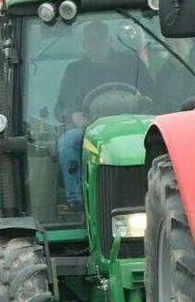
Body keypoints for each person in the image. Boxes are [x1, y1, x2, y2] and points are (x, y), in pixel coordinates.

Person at [55, 20, 154, 208]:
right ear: (84, 44)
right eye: (91, 40)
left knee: (160, 141)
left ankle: (158, 191)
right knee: (67, 143)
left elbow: (153, 95)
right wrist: (74, 115)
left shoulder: (132, 63)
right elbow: (61, 107)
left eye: (100, 38)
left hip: (133, 126)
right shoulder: (74, 71)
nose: (96, 43)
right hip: (90, 129)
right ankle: (78, 201)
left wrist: (143, 99)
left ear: (109, 40)